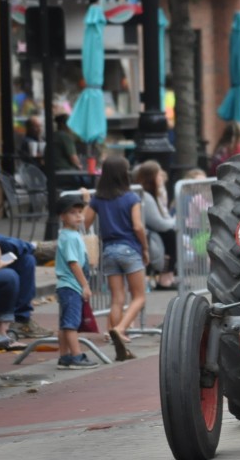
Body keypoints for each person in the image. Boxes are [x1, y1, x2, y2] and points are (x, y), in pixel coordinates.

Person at [83, 154, 147, 361]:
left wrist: (87, 201)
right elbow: (137, 226)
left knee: (117, 298)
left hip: (109, 250)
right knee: (139, 296)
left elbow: (85, 222)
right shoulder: (131, 198)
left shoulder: (98, 199)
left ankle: (116, 334)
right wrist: (145, 248)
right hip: (129, 248)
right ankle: (120, 329)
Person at [55, 193, 97, 370]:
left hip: (66, 286)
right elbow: (74, 263)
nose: (79, 216)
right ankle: (76, 356)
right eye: (73, 213)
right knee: (71, 324)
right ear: (62, 216)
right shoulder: (70, 237)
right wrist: (85, 285)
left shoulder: (67, 234)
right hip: (72, 285)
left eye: (80, 212)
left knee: (65, 323)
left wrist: (86, 198)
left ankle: (64, 356)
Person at [133, 159, 178, 290]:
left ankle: (169, 276)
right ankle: (164, 278)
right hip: (148, 233)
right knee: (170, 235)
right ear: (151, 177)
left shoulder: (155, 194)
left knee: (171, 233)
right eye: (158, 174)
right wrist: (175, 222)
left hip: (151, 231)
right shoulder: (146, 196)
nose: (161, 177)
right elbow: (158, 223)